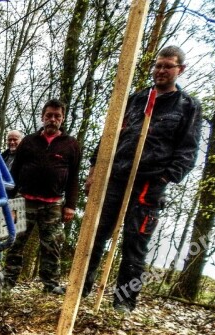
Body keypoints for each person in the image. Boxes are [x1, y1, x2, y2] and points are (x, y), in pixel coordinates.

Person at [83, 45, 202, 313]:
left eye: (167, 66)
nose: (160, 70)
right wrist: (94, 169)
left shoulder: (188, 106)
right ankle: (81, 290)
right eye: (158, 65)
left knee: (135, 244)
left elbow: (188, 149)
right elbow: (110, 134)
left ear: (179, 70)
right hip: (116, 177)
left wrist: (165, 177)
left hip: (148, 185)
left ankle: (123, 302)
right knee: (96, 235)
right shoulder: (137, 99)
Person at [5, 99, 81, 294]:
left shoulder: (71, 145)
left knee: (52, 245)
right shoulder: (28, 142)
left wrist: (71, 205)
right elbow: (14, 172)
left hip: (53, 204)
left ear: (62, 119)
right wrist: (10, 202)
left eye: (57, 116)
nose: (52, 119)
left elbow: (74, 177)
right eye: (49, 116)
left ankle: (51, 284)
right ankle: (8, 281)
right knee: (16, 242)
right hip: (24, 201)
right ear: (42, 117)